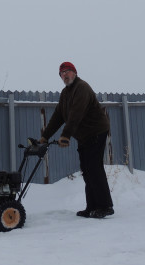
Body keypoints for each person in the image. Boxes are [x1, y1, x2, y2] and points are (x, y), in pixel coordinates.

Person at [40, 61, 114, 219]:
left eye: (67, 71)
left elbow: (76, 113)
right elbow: (58, 116)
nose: (65, 75)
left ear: (74, 72)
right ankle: (92, 206)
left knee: (94, 168)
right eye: (62, 73)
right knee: (86, 170)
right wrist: (45, 136)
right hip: (83, 135)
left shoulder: (82, 88)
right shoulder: (65, 93)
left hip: (96, 130)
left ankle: (105, 206)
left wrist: (66, 135)